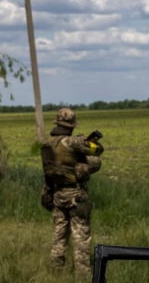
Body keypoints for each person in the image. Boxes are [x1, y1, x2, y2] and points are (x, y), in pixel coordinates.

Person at [40, 107, 103, 272]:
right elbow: (97, 150)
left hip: (57, 193)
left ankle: (56, 268)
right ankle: (82, 273)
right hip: (76, 194)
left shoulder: (47, 144)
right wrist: (89, 142)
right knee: (81, 234)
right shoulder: (72, 142)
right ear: (72, 125)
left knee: (59, 233)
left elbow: (47, 171)